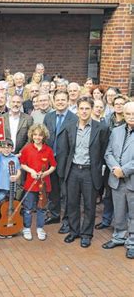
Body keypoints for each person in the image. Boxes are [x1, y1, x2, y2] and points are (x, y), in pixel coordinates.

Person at [63, 97, 110, 248]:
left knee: (89, 205)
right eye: (81, 108)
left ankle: (86, 234)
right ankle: (74, 231)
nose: (84, 111)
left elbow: (103, 151)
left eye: (87, 109)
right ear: (77, 110)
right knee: (72, 203)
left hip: (90, 172)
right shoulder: (70, 127)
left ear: (92, 110)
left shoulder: (101, 128)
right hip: (74, 170)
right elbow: (66, 151)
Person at [103, 102, 134, 259]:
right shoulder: (115, 131)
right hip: (116, 178)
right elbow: (108, 152)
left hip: (131, 179)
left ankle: (132, 243)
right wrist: (116, 168)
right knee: (119, 211)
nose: (131, 117)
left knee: (133, 214)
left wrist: (125, 170)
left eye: (133, 114)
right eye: (128, 114)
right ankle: (119, 237)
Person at [43, 90, 78, 232]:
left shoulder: (74, 119)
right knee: (53, 191)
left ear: (68, 101)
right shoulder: (48, 117)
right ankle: (55, 214)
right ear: (54, 101)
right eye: (58, 100)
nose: (60, 102)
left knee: (67, 193)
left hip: (66, 161)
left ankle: (67, 221)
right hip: (51, 161)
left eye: (63, 99)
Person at [19, 124, 56, 241]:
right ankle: (27, 228)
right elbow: (22, 164)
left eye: (40, 135)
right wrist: (31, 171)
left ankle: (40, 228)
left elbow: (53, 166)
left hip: (44, 185)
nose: (37, 137)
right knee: (28, 208)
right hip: (30, 183)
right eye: (35, 135)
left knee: (42, 208)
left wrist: (45, 173)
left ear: (44, 136)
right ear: (31, 135)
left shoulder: (48, 150)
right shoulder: (27, 149)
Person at [0, 139, 21, 225]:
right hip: (1, 187)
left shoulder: (14, 158)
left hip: (11, 187)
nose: (7, 149)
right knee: (1, 207)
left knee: (11, 207)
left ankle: (10, 222)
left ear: (12, 149)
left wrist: (16, 176)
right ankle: (1, 223)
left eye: (9, 147)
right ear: (1, 148)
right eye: (4, 147)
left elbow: (19, 170)